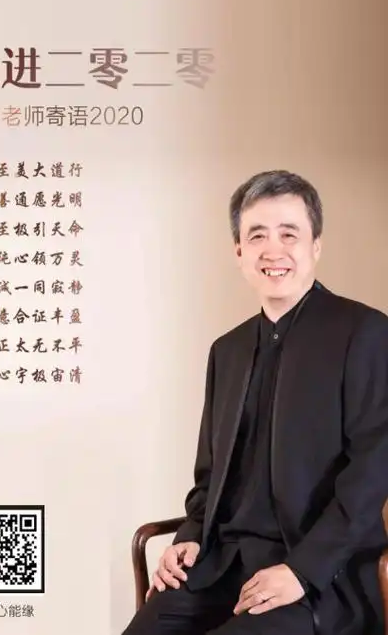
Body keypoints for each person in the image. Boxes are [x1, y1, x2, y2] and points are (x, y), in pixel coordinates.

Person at [122, 170, 388, 635]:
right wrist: (188, 538)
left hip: (319, 574)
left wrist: (301, 571)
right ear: (239, 252)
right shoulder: (227, 351)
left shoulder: (365, 333)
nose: (273, 250)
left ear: (315, 246)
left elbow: (371, 477)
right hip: (221, 566)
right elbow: (208, 480)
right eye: (257, 235)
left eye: (290, 234)